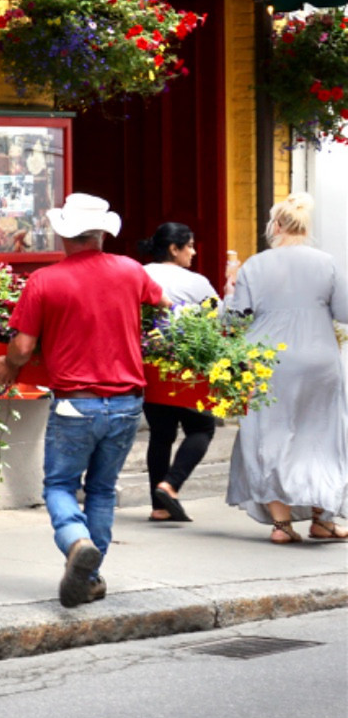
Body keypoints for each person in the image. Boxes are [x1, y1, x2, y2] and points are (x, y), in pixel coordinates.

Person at [0, 193, 167, 607]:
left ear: (65, 235)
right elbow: (163, 302)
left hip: (75, 402)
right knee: (103, 490)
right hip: (126, 401)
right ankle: (92, 574)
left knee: (60, 484)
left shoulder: (44, 281)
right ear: (104, 234)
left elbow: (22, 347)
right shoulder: (130, 271)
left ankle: (75, 543)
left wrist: (11, 365)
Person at [223, 193, 348, 544]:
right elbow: (345, 313)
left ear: (275, 226)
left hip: (267, 361)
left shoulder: (255, 266)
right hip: (318, 359)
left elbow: (235, 318)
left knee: (269, 436)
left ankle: (281, 526)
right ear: (305, 227)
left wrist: (230, 291)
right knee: (321, 439)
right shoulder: (327, 263)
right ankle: (323, 520)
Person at [135, 222, 219, 523]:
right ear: (174, 248)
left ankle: (158, 507)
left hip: (148, 363)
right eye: (190, 246)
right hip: (185, 364)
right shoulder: (195, 282)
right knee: (202, 427)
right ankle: (170, 485)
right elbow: (219, 320)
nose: (194, 252)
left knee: (161, 434)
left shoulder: (139, 274)